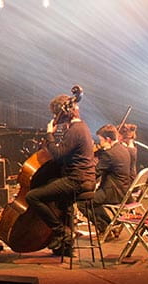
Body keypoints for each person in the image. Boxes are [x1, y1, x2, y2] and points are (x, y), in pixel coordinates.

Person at [27, 94, 97, 256]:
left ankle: (60, 232)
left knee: (33, 197)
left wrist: (49, 134)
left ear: (64, 113)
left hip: (76, 180)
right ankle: (66, 247)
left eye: (55, 114)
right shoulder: (81, 127)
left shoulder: (75, 130)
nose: (55, 118)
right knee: (64, 204)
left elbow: (58, 154)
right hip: (86, 179)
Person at [81, 124, 133, 233]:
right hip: (122, 190)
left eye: (101, 140)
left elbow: (95, 173)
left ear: (108, 139)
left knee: (83, 202)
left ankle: (105, 228)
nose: (100, 143)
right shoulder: (123, 148)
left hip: (112, 192)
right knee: (92, 200)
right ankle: (108, 225)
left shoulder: (109, 154)